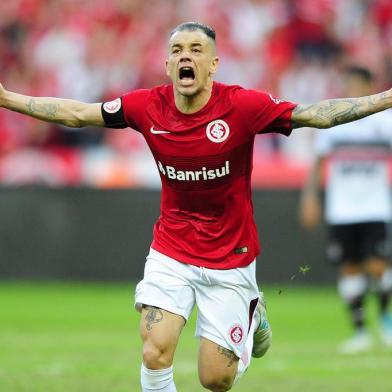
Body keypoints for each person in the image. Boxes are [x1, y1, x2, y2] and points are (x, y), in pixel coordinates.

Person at [1, 22, 392, 391]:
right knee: (155, 349)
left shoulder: (242, 106)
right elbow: (76, 114)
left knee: (215, 380)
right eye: (177, 50)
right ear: (168, 64)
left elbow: (315, 116)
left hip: (231, 258)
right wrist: (7, 98)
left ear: (213, 64)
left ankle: (253, 314)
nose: (185, 56)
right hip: (172, 249)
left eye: (196, 49)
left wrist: (386, 98)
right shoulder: (145, 106)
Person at [299, 66, 392, 354]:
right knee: (350, 268)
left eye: (355, 83)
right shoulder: (334, 119)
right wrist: (310, 197)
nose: (350, 88)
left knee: (378, 267)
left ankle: (386, 323)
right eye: (347, 83)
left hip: (375, 206)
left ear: (367, 86)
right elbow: (318, 163)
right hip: (342, 209)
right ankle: (361, 331)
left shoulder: (385, 121)